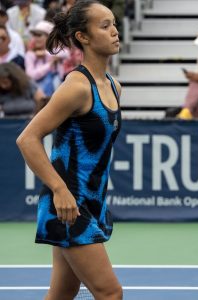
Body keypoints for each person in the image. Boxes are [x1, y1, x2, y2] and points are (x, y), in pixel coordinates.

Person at [16, 1, 123, 299]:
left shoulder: (114, 86)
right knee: (111, 293)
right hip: (68, 205)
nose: (114, 31)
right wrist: (59, 190)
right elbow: (27, 139)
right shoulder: (76, 86)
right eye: (104, 26)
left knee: (62, 294)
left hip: (90, 203)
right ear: (83, 37)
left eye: (113, 23)